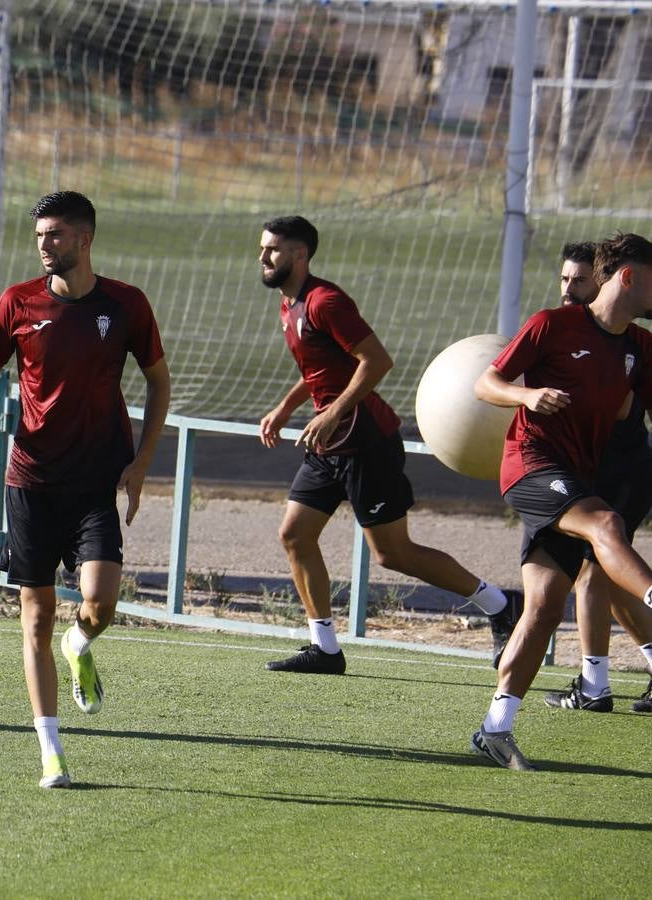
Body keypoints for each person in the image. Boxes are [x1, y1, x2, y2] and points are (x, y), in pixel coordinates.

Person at [0, 191, 170, 789]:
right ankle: (51, 750)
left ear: (86, 238)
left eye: (57, 235)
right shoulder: (17, 303)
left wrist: (142, 460)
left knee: (101, 604)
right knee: (35, 615)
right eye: (40, 235)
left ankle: (82, 643)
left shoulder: (126, 305)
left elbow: (158, 382)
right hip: (32, 482)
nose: (46, 244)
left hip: (96, 482)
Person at [256, 216, 520, 675]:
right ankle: (325, 649)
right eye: (262, 248)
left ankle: (499, 604)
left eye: (273, 250)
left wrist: (333, 411)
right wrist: (284, 408)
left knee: (393, 554)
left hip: (365, 443)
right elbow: (321, 368)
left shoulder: (326, 302)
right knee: (294, 535)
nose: (263, 257)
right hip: (329, 443)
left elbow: (377, 361)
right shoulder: (288, 305)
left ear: (300, 255)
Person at [473, 232, 652, 770]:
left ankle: (494, 729)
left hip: (574, 477)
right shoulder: (552, 324)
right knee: (606, 525)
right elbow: (487, 381)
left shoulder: (640, 348)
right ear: (629, 277)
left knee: (546, 607)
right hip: (530, 463)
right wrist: (527, 394)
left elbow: (626, 409)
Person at [543, 241, 652, 714]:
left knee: (594, 570)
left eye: (580, 281)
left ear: (607, 282)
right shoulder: (563, 330)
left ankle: (593, 686)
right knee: (609, 575)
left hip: (624, 469)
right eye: (564, 280)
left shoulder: (628, 340)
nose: (570, 290)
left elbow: (620, 405)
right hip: (589, 470)